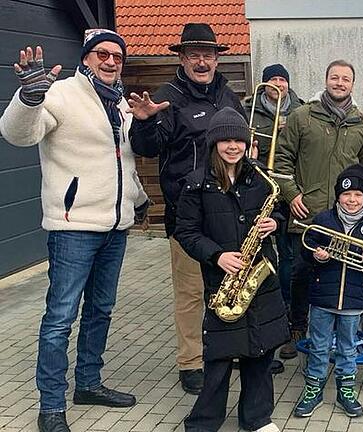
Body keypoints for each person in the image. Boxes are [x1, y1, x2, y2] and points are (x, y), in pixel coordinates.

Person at [0, 29, 148, 432]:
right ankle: (51, 406)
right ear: (86, 58)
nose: (111, 61)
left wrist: (136, 198)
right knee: (60, 317)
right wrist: (29, 96)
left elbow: (123, 161)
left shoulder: (121, 105)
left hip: (116, 226)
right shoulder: (61, 94)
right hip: (73, 227)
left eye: (118, 56)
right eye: (102, 53)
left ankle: (88, 383)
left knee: (100, 310)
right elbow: (18, 133)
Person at [127, 23, 249, 393]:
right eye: (193, 54)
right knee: (192, 293)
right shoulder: (167, 96)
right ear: (181, 57)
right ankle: (191, 362)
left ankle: (234, 350)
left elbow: (240, 148)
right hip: (188, 215)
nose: (201, 61)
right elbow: (147, 148)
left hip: (229, 212)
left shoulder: (229, 96)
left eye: (208, 54)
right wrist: (144, 122)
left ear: (216, 58)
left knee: (232, 287)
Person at [174, 107, 289, 432]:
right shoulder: (197, 184)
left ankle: (256, 419)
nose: (232, 146)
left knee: (261, 352)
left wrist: (275, 222)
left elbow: (282, 211)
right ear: (214, 143)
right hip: (223, 280)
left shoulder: (261, 178)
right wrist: (217, 256)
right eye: (225, 140)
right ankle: (204, 422)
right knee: (220, 358)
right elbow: (186, 232)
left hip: (260, 279)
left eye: (238, 139)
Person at [273, 59, 363, 360]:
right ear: (326, 80)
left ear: (353, 84)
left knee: (342, 272)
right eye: (335, 77)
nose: (340, 83)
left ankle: (337, 334)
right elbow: (282, 161)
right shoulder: (302, 116)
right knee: (301, 273)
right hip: (308, 211)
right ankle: (296, 329)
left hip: (347, 218)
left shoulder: (362, 123)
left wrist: (361, 205)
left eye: (346, 79)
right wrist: (291, 195)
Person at [292, 164, 363, 418]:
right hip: (323, 297)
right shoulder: (324, 220)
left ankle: (346, 391)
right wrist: (318, 256)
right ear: (338, 196)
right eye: (346, 194)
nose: (352, 200)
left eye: (358, 195)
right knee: (319, 346)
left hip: (354, 299)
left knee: (348, 347)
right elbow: (305, 250)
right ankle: (314, 390)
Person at [246, 63, 304, 373]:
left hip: (289, 194)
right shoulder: (249, 108)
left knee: (290, 265)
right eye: (272, 79)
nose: (277, 84)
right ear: (264, 83)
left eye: (282, 79)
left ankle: (291, 325)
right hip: (259, 191)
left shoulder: (301, 110)